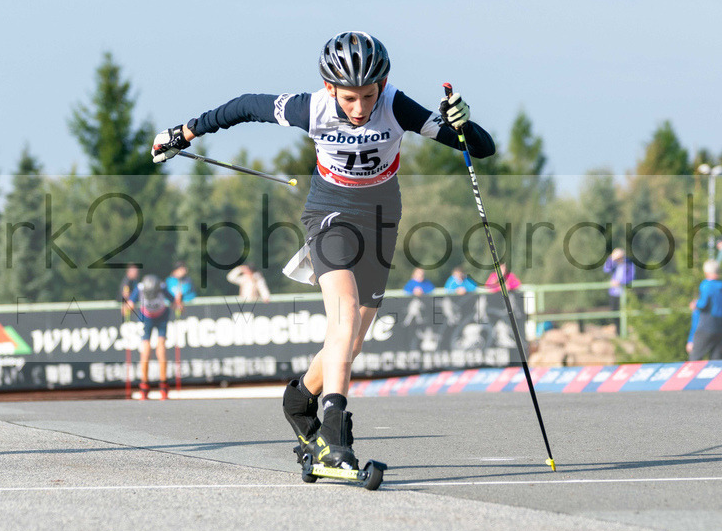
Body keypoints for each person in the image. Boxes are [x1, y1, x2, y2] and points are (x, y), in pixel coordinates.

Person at [151, 31, 496, 470]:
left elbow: (480, 149)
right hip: (330, 213)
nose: (360, 109)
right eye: (349, 98)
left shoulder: (396, 105)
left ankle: (299, 399)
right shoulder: (310, 108)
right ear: (331, 88)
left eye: (368, 96)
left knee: (350, 341)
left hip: (381, 218)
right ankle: (334, 429)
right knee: (344, 312)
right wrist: (185, 132)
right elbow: (243, 106)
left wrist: (463, 123)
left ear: (382, 84)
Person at [126, 274, 180, 400]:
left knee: (161, 348)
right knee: (146, 350)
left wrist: (178, 304)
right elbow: (130, 303)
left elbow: (173, 302)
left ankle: (163, 384)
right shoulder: (140, 288)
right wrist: (128, 306)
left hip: (162, 316)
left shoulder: (161, 287)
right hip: (147, 318)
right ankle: (144, 385)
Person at [687, 259, 722, 361]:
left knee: (695, 357)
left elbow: (704, 304)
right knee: (717, 359)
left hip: (707, 325)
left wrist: (695, 304)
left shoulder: (706, 285)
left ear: (706, 272)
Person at [603, 247, 635, 330]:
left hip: (625, 292)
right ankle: (619, 332)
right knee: (615, 313)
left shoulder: (629, 264)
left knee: (626, 313)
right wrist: (611, 258)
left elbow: (631, 277)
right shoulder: (614, 264)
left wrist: (620, 282)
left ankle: (626, 331)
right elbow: (606, 269)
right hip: (614, 292)